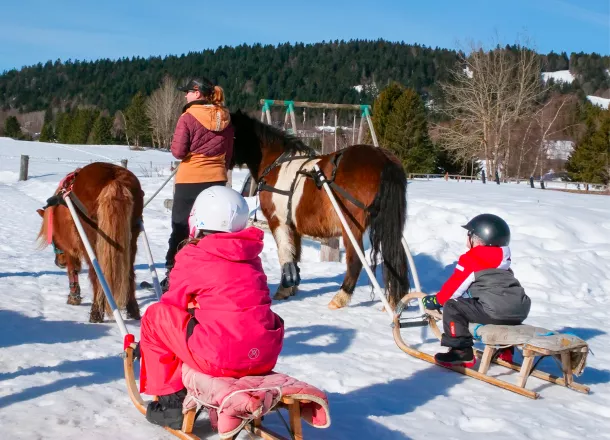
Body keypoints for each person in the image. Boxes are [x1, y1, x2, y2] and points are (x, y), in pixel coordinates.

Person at [139, 186, 285, 429]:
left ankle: (172, 403)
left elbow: (173, 304)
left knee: (156, 317)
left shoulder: (194, 255)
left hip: (219, 359)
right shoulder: (251, 256)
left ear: (198, 217)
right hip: (264, 357)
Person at [421, 213, 531, 367]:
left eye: (468, 235)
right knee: (494, 306)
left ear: (476, 238)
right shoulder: (503, 261)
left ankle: (461, 352)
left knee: (453, 305)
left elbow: (454, 289)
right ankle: (505, 351)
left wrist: (437, 300)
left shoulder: (472, 259)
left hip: (495, 309)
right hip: (519, 309)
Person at [161, 77, 234, 292]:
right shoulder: (226, 117)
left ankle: (172, 275)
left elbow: (178, 152)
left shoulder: (188, 116)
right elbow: (229, 155)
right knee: (213, 229)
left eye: (188, 92)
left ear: (197, 93)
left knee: (181, 227)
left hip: (190, 179)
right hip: (217, 180)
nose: (185, 95)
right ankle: (215, 276)